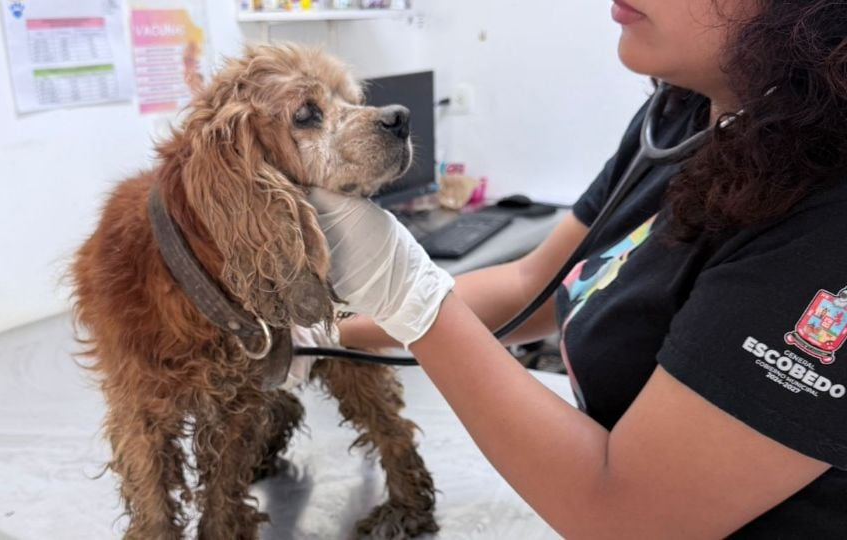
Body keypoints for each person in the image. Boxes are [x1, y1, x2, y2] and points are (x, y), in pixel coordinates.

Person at [295, 0, 847, 537]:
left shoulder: (827, 221)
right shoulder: (682, 118)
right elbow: (530, 287)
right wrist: (320, 332)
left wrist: (409, 293)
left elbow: (626, 518)